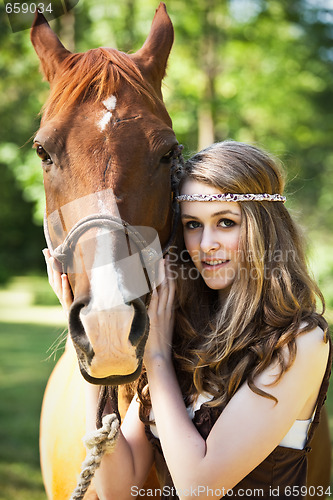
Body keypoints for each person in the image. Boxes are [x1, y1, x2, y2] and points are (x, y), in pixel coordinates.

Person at [44, 140, 331, 500]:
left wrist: (159, 360)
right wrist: (92, 347)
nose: (206, 243)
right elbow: (117, 489)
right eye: (193, 225)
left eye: (226, 223)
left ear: (265, 230)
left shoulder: (299, 340)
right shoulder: (185, 335)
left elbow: (200, 488)